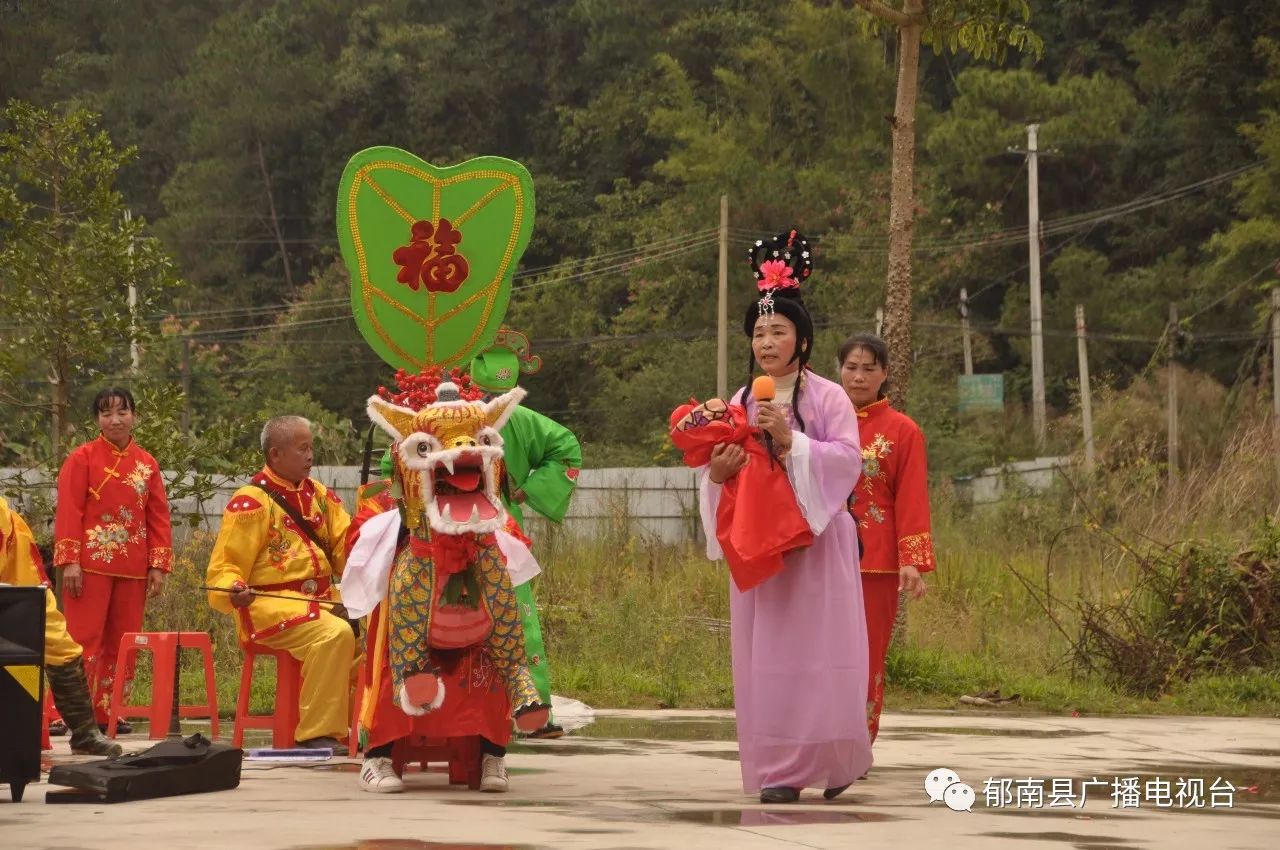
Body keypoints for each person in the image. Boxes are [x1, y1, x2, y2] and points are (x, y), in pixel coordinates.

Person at [698, 229, 872, 803]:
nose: (767, 342)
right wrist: (718, 475)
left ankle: (834, 757)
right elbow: (718, 468)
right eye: (758, 333)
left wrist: (793, 442)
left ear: (802, 339)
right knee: (769, 662)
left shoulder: (828, 398)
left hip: (818, 546)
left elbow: (847, 463)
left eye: (778, 331)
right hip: (761, 548)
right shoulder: (739, 401)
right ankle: (779, 770)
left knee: (824, 655)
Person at [205, 415, 356, 754]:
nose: (310, 456)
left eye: (311, 448)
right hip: (266, 605)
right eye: (302, 449)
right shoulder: (251, 501)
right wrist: (233, 589)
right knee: (335, 633)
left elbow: (348, 546)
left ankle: (365, 726)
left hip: (322, 598)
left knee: (374, 623)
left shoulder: (319, 495)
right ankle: (317, 734)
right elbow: (224, 567)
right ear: (275, 455)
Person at [469, 340, 583, 739]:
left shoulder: (512, 419)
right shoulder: (520, 419)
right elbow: (566, 448)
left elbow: (567, 448)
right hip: (464, 525)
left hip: (498, 528)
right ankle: (514, 711)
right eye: (487, 394)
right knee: (511, 616)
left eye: (500, 396)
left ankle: (530, 709)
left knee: (516, 617)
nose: (492, 403)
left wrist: (527, 488)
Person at [54, 387, 172, 733]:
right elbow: (69, 511)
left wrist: (158, 565)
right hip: (88, 565)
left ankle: (109, 711)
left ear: (135, 416)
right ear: (97, 420)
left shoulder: (147, 464)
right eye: (106, 414)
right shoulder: (82, 458)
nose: (115, 420)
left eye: (122, 412)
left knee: (123, 642)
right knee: (81, 639)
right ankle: (67, 713)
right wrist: (70, 561)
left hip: (133, 568)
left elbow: (158, 517)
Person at [838, 334, 935, 744]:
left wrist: (910, 560)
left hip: (875, 561)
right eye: (851, 367)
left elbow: (912, 497)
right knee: (822, 653)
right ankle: (819, 737)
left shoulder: (903, 431)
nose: (858, 377)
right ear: (838, 369)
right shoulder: (821, 422)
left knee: (868, 653)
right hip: (821, 556)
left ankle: (859, 741)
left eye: (869, 369)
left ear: (885, 374)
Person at [1, 496, 122, 756]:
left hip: (8, 592)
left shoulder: (6, 517)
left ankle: (85, 733)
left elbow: (24, 575)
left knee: (60, 642)